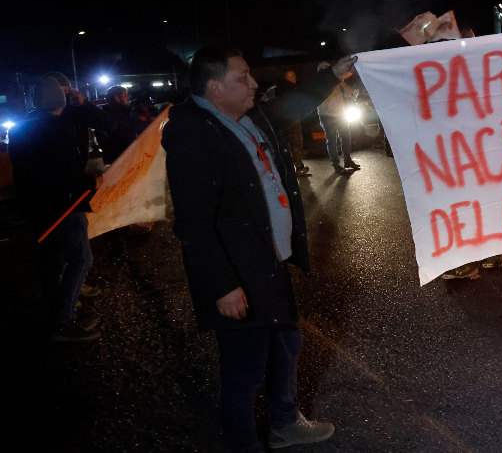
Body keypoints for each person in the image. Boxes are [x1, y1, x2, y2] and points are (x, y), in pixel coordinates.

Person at [162, 46, 352, 451]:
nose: (254, 84)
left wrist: (332, 74)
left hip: (269, 265)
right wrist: (222, 285)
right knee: (244, 371)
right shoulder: (193, 133)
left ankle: (284, 424)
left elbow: (291, 106)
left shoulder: (247, 116)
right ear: (214, 87)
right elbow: (194, 222)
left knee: (286, 345)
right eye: (242, 78)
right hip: (239, 276)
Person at [8, 76, 101, 341]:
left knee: (50, 261)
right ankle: (63, 321)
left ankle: (56, 312)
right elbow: (65, 170)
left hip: (34, 208)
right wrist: (91, 181)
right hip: (63, 206)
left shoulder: (20, 129)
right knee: (81, 259)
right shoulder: (59, 128)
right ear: (60, 100)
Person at [315, 62, 360, 174]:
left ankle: (348, 161)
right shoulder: (318, 84)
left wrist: (342, 83)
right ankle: (336, 165)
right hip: (326, 115)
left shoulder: (337, 81)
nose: (326, 71)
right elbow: (319, 99)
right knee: (332, 140)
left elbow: (349, 94)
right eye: (324, 69)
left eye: (328, 69)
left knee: (345, 137)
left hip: (340, 114)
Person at [98, 85, 149, 165]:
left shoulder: (124, 112)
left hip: (122, 155)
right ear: (117, 98)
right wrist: (142, 120)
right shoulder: (113, 115)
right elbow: (126, 130)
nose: (128, 98)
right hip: (120, 156)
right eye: (125, 95)